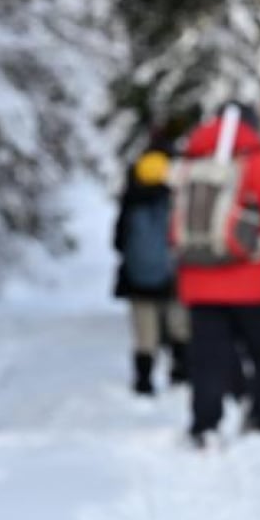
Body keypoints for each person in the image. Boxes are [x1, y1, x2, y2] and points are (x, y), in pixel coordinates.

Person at [176, 103, 260, 446]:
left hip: (199, 282)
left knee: (207, 360)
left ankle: (205, 424)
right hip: (252, 284)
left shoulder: (190, 160)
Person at [113, 135, 189, 396]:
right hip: (172, 272)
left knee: (144, 329)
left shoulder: (132, 196)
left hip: (137, 276)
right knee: (179, 321)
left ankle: (143, 379)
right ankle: (181, 371)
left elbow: (119, 240)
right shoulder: (175, 195)